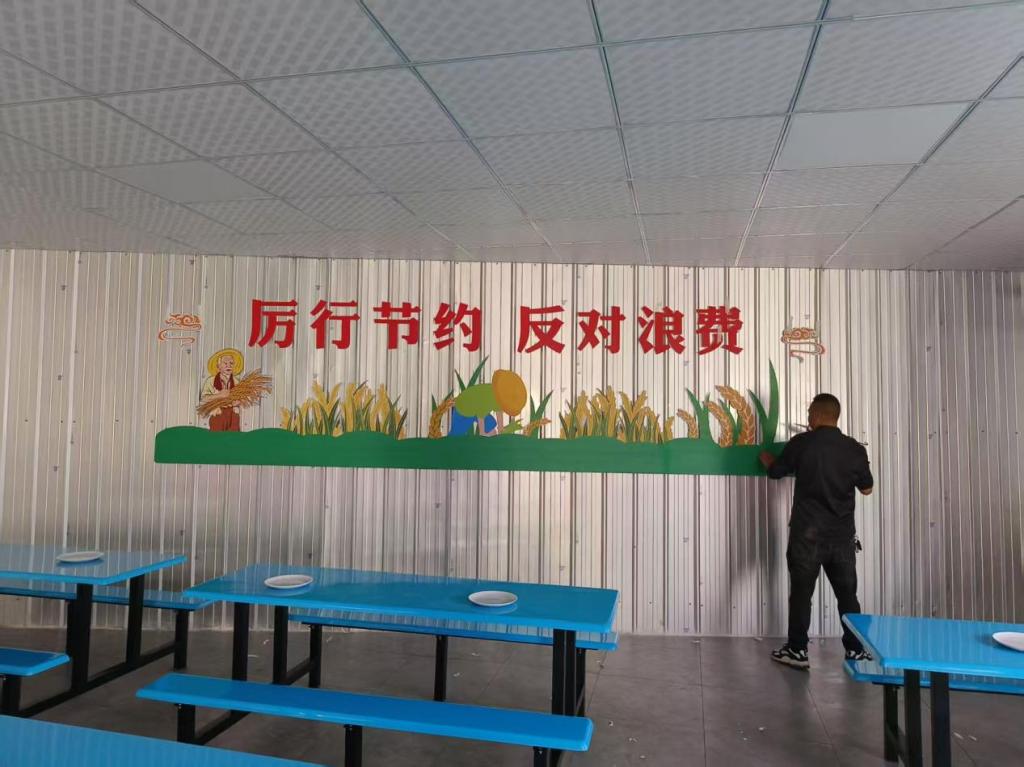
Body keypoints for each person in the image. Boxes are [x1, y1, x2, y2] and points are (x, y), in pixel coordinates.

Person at [759, 393, 874, 669]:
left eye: (810, 412)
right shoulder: (854, 449)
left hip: (807, 536)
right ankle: (856, 650)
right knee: (847, 596)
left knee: (801, 594)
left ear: (820, 414)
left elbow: (776, 472)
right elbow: (867, 488)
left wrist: (766, 459)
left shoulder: (802, 443)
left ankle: (797, 651)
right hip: (842, 538)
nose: (808, 417)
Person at [200, 348, 244, 432]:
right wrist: (219, 395)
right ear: (218, 366)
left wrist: (239, 401)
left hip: (233, 414)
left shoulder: (237, 382)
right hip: (218, 413)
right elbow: (204, 398)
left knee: (234, 437)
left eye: (231, 363)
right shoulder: (211, 381)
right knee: (217, 437)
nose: (229, 366)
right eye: (225, 363)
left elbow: (242, 398)